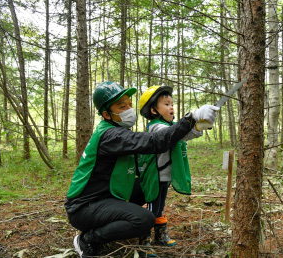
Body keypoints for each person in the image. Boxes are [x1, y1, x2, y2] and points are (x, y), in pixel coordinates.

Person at [64, 81, 218, 258]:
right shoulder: (111, 135)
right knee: (144, 219)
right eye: (122, 106)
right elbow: (155, 141)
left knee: (148, 187)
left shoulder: (119, 131)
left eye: (130, 104)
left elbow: (156, 147)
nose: (129, 109)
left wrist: (195, 128)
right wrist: (190, 118)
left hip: (106, 196)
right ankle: (88, 239)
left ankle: (113, 224)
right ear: (107, 114)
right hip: (84, 207)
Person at [137, 86, 219, 252]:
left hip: (165, 177)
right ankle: (144, 240)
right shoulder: (156, 127)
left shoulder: (171, 127)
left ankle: (160, 236)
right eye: (166, 104)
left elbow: (182, 134)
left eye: (172, 104)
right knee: (152, 209)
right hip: (155, 178)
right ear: (153, 110)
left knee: (159, 208)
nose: (172, 107)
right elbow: (173, 133)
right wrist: (193, 116)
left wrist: (200, 125)